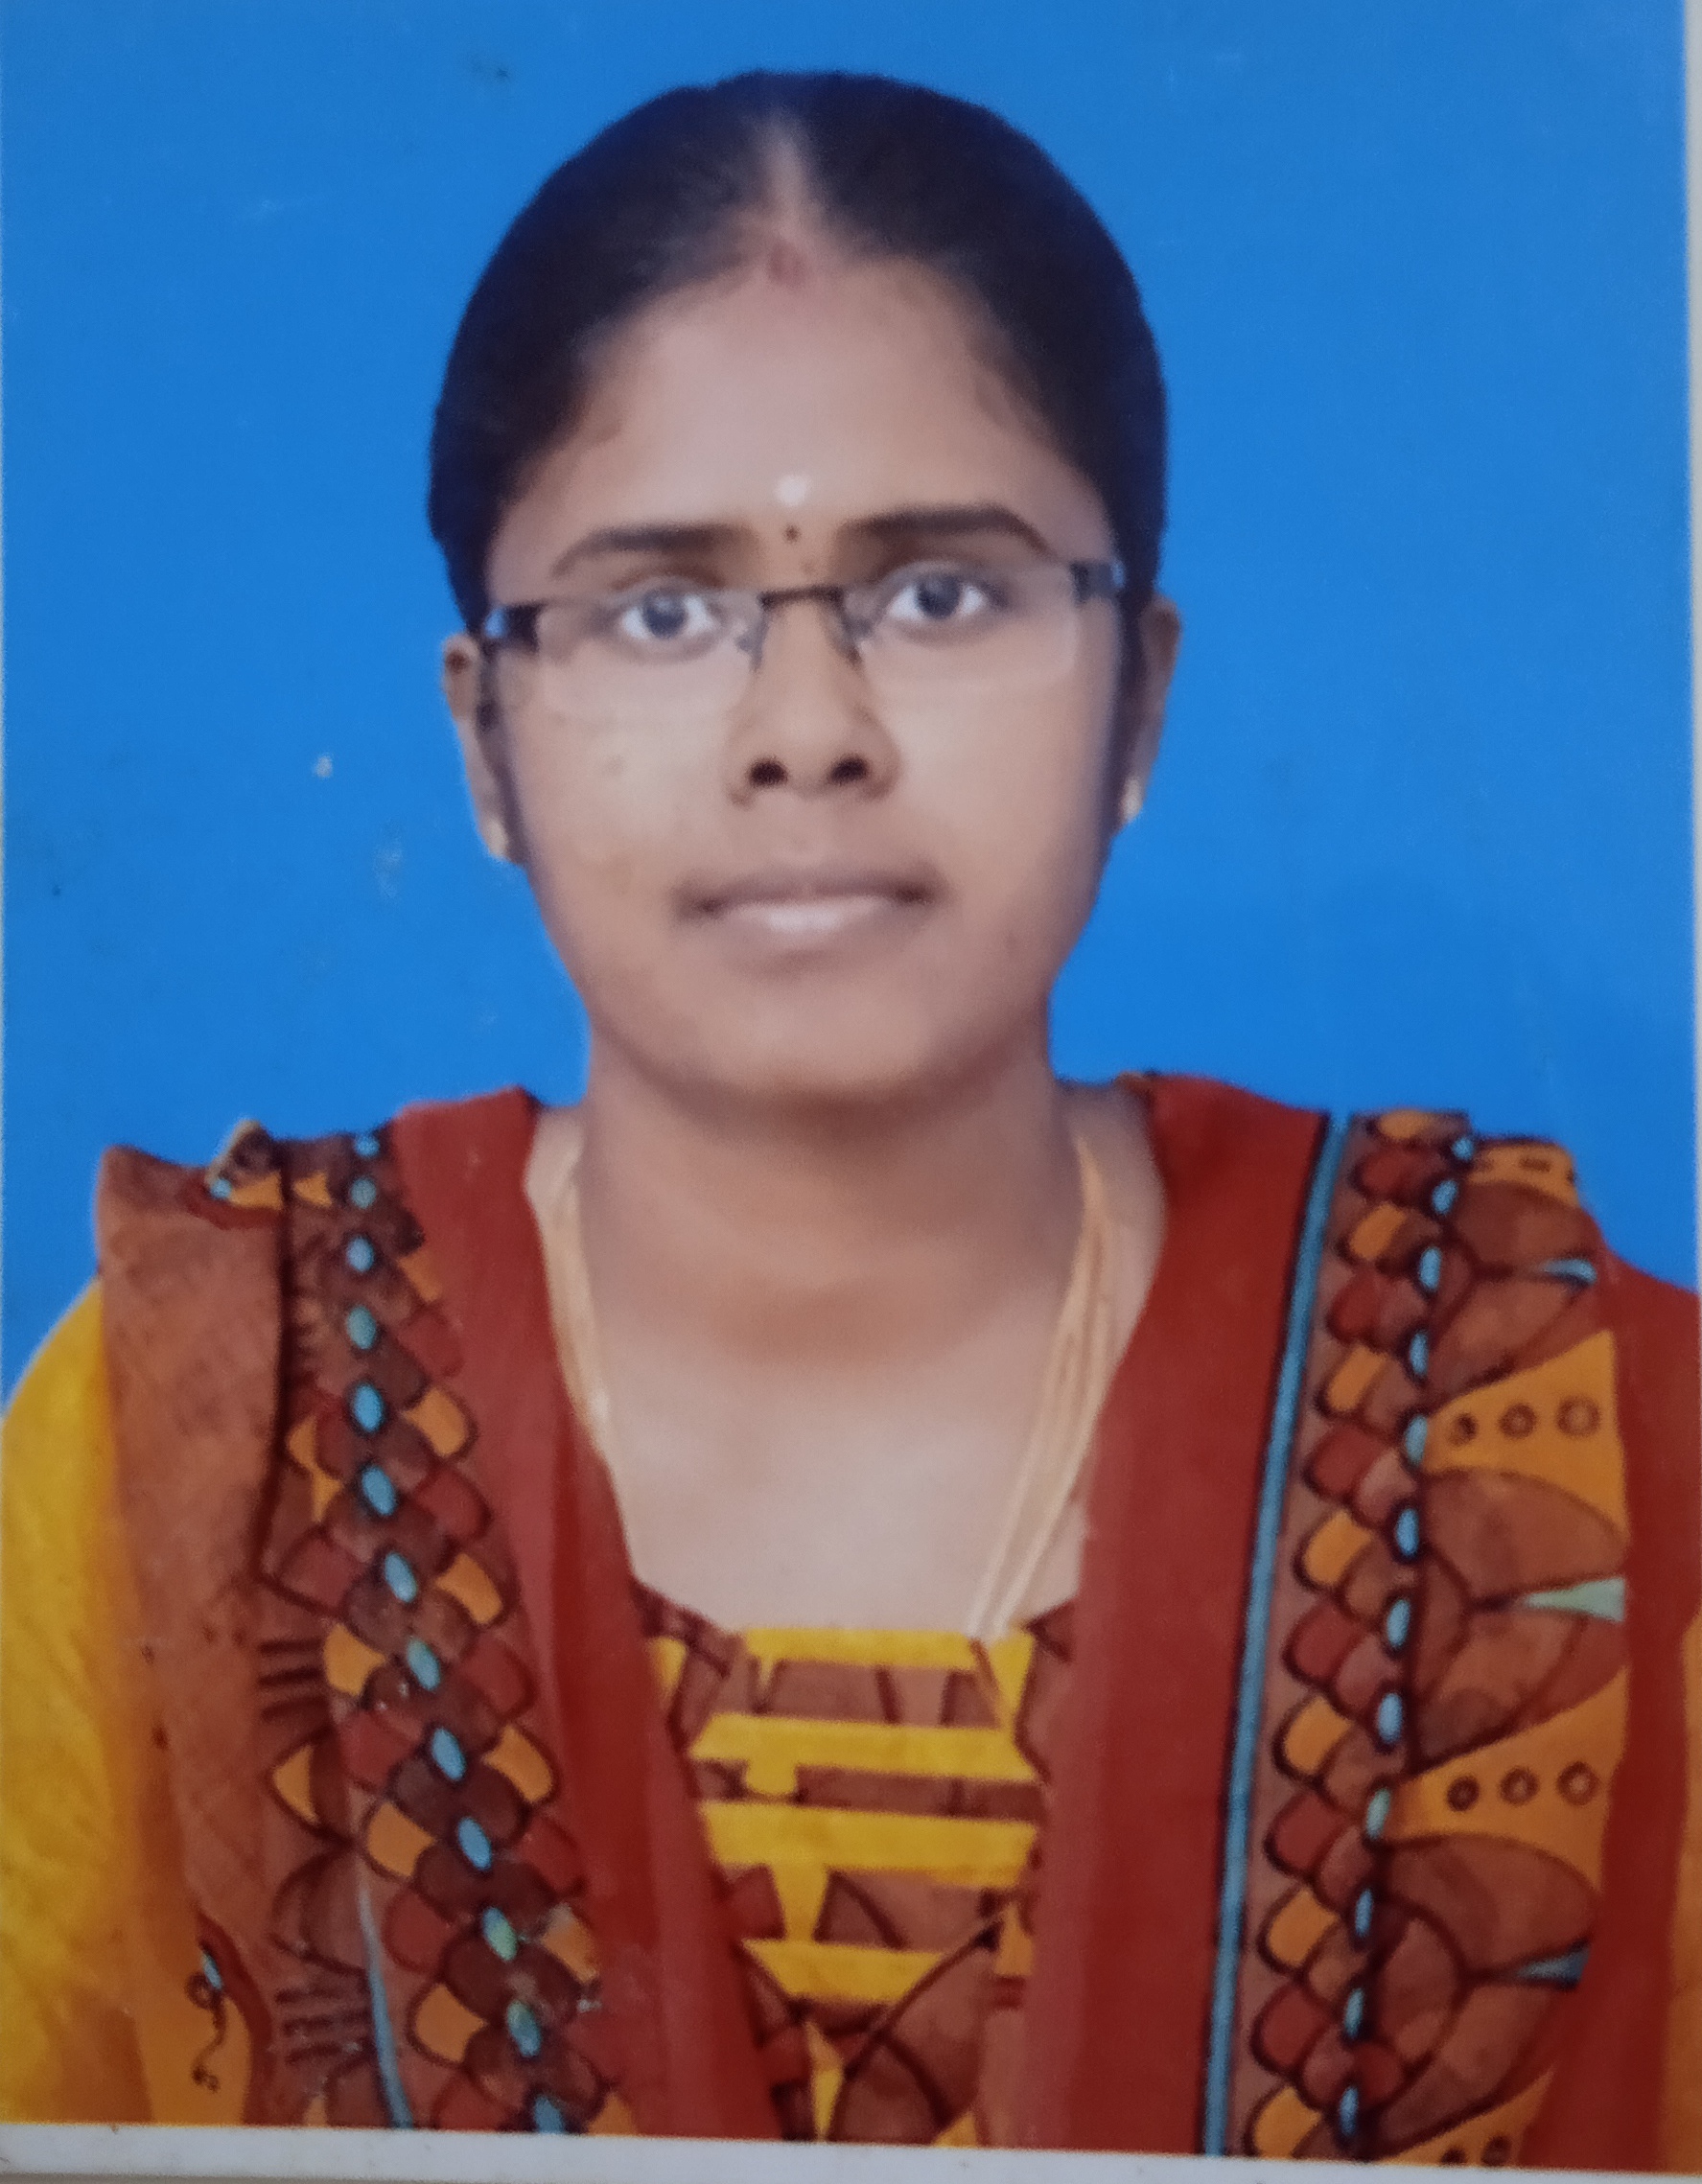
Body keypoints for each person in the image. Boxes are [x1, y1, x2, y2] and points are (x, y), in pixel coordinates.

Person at [2, 69, 1697, 2166]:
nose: (805, 730)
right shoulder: (196, 1434)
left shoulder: (1573, 1432)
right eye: (657, 609)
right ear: (486, 745)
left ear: (1142, 695)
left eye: (941, 592)